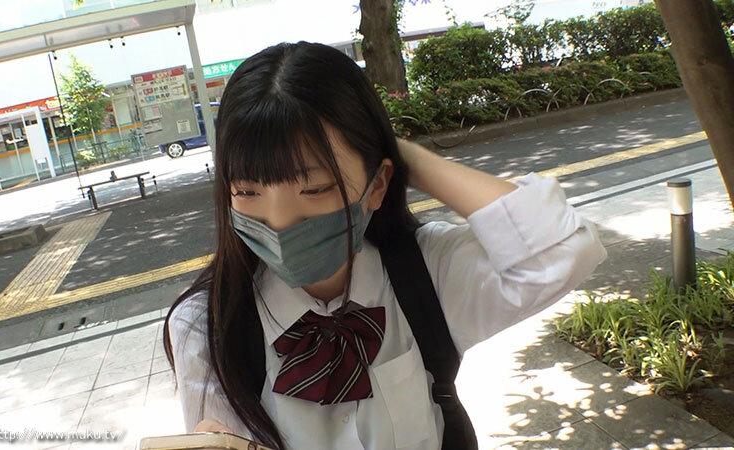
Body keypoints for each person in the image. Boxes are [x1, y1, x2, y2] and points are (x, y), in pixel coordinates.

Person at [163, 41, 607, 450]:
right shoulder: (208, 326)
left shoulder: (424, 273)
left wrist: (398, 153)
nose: (278, 223)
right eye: (246, 191)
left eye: (315, 189)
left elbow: (563, 249)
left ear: (376, 185)